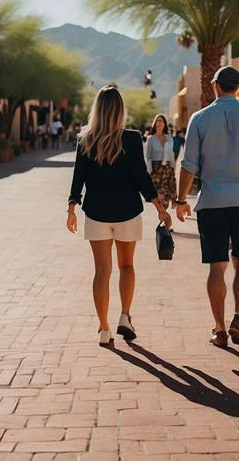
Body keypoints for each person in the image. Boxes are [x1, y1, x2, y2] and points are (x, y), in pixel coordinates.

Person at [175, 66, 239, 357]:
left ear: (215, 85)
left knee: (216, 266)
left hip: (213, 203)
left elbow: (189, 164)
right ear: (237, 86)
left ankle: (219, 329)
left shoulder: (200, 118)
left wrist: (181, 199)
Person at [67, 85, 172, 347]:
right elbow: (141, 178)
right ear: (120, 111)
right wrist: (159, 207)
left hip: (96, 213)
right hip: (127, 213)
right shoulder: (132, 138)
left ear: (97, 109)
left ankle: (104, 329)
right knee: (126, 266)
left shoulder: (85, 139)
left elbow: (78, 177)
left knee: (101, 271)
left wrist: (71, 207)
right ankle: (125, 316)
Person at [145, 113, 177, 207]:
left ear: (164, 123)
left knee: (167, 194)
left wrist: (173, 166)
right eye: (157, 121)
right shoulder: (151, 139)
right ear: (154, 124)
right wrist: (149, 171)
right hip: (156, 169)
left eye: (161, 121)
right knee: (160, 194)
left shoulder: (169, 138)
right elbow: (147, 156)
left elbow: (171, 153)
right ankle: (163, 215)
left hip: (167, 168)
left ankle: (164, 215)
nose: (158, 123)